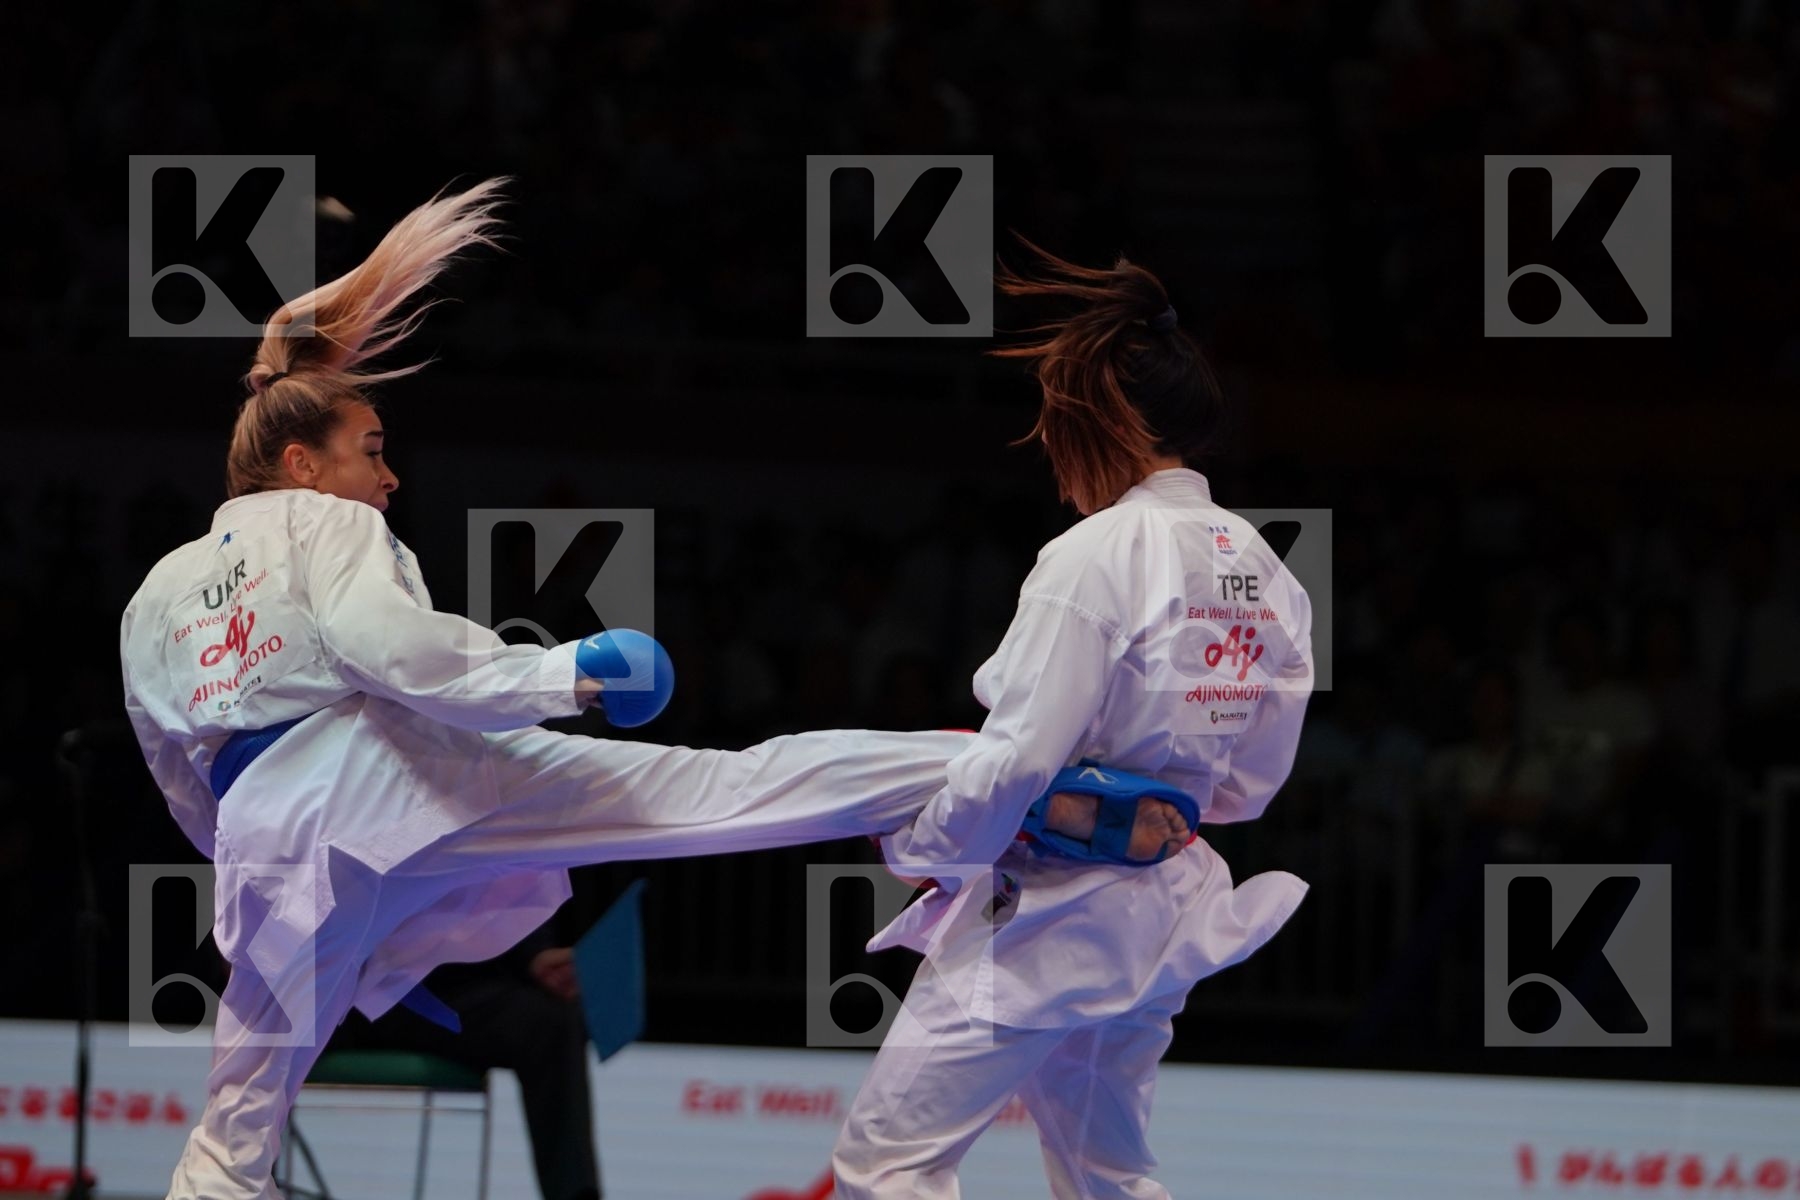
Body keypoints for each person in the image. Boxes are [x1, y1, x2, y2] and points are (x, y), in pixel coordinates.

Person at [117, 178, 1181, 1200]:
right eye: (372, 452)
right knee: (712, 792)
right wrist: (567, 673)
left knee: (242, 1110)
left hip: (263, 837)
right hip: (380, 777)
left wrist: (265, 866)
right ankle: (995, 771)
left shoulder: (154, 595)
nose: (390, 480)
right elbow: (392, 651)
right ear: (302, 465)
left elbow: (179, 777)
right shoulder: (333, 521)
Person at [831, 243, 1315, 1200]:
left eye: (1060, 427)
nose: (1054, 452)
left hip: (1047, 911)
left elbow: (1015, 763)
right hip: (1160, 914)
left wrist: (924, 839)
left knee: (886, 1166)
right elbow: (1251, 785)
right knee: (1106, 1175)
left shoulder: (1096, 552)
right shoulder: (1266, 569)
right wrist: (1156, 798)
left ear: (1102, 421)